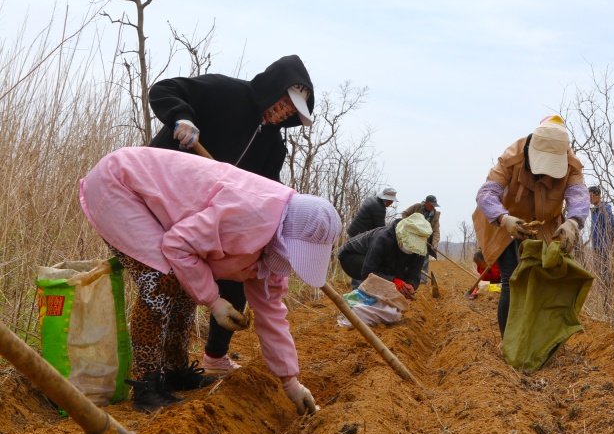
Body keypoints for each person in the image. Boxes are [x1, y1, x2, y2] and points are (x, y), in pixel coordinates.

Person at [79, 147, 340, 414]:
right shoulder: (249, 214)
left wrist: (291, 383)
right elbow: (178, 245)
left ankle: (175, 371)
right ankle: (146, 386)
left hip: (145, 198)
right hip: (119, 184)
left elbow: (271, 312)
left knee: (183, 276)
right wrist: (214, 302)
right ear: (287, 237)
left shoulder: (276, 243)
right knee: (162, 278)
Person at [148, 54, 315, 374]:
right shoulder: (224, 91)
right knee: (164, 284)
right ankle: (150, 371)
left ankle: (213, 358)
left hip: (209, 220)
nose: (283, 113)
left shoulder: (274, 147)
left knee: (240, 277)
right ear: (272, 88)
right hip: (165, 196)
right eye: (283, 103)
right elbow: (164, 89)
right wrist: (181, 117)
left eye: (290, 112)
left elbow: (267, 191)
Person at [473, 115, 590, 338]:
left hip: (543, 226)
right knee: (512, 278)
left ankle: (534, 337)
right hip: (504, 223)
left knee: (541, 278)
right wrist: (503, 218)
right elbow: (486, 193)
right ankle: (510, 342)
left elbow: (578, 194)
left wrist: (573, 222)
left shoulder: (571, 164)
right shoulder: (512, 156)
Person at [338, 213, 432, 299]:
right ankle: (360, 296)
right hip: (351, 257)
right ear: (401, 236)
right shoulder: (383, 238)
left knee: (398, 275)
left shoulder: (420, 251)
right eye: (409, 245)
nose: (411, 250)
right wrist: (394, 281)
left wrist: (411, 285)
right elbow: (368, 272)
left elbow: (414, 275)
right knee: (384, 276)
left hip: (377, 263)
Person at [345, 187, 399, 288]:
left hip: (356, 232)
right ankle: (358, 286)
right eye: (391, 201)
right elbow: (381, 229)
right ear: (387, 199)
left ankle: (359, 284)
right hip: (359, 235)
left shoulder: (373, 200)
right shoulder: (379, 208)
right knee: (363, 261)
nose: (391, 204)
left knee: (361, 260)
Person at [401, 195, 441, 283]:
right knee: (409, 257)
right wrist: (410, 225)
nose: (433, 207)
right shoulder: (417, 207)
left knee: (424, 259)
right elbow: (404, 213)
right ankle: (406, 277)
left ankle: (422, 279)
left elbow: (436, 230)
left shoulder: (435, 215)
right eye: (431, 205)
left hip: (425, 240)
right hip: (413, 237)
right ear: (426, 203)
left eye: (434, 205)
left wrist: (435, 242)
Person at [589, 185, 614, 312]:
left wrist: (610, 244)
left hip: (604, 247)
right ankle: (602, 299)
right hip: (596, 247)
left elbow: (611, 227)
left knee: (605, 274)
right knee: (599, 274)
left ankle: (608, 300)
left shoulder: (605, 209)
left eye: (591, 195)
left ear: (598, 195)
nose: (589, 198)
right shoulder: (594, 210)